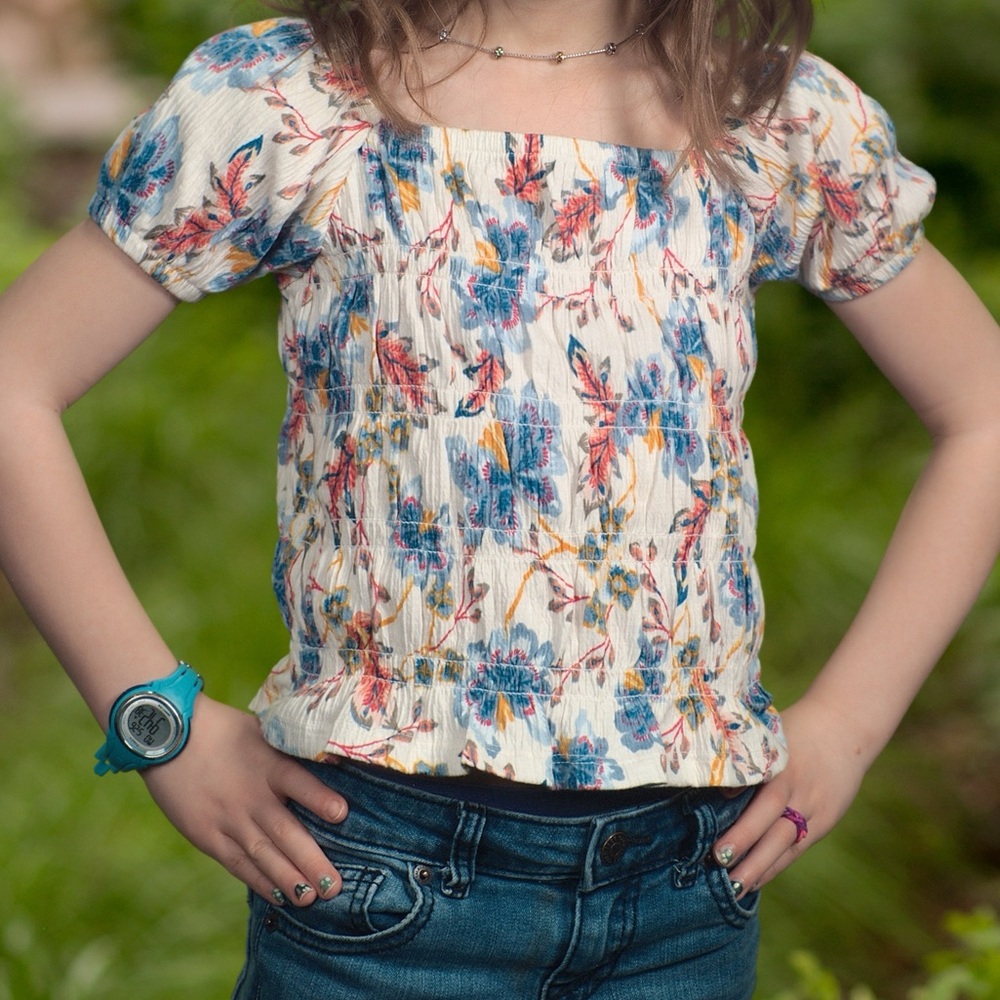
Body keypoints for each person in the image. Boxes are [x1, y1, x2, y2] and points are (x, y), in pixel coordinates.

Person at [1, 1, 999, 997]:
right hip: (375, 881)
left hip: (687, 901)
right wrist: (152, 717)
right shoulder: (288, 96)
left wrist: (850, 725)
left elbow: (981, 413)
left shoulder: (769, 108)